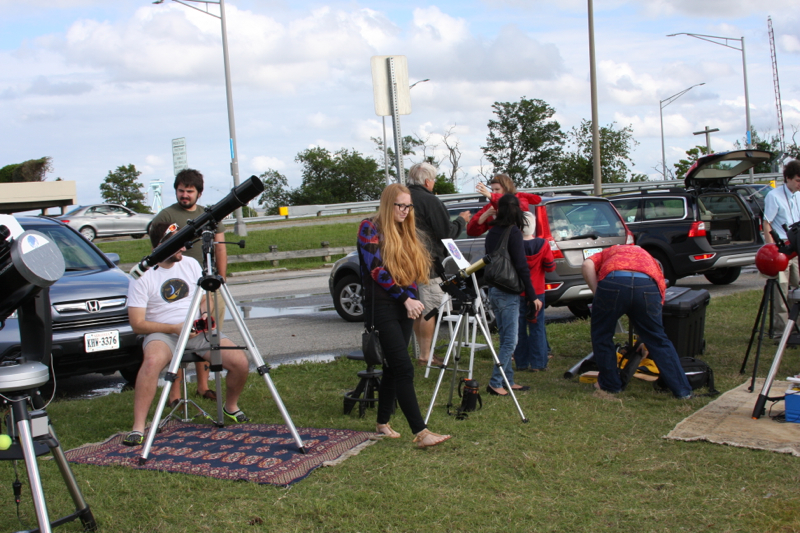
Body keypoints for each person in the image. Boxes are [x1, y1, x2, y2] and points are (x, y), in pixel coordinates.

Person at [122, 221, 251, 446]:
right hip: (163, 333)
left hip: (197, 331)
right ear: (160, 246)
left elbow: (205, 297)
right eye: (177, 244)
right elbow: (137, 324)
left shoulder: (190, 264)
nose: (183, 247)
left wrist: (204, 315)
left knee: (239, 360)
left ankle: (230, 407)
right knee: (151, 363)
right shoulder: (141, 275)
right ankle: (138, 427)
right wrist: (173, 328)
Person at [357, 183, 451, 448]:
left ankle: (382, 423)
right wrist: (405, 298)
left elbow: (411, 271)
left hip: (404, 305)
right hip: (382, 306)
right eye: (400, 205)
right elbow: (376, 270)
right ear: (388, 204)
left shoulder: (406, 230)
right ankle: (421, 432)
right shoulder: (370, 227)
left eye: (408, 206)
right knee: (403, 367)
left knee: (392, 366)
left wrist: (414, 299)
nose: (405, 211)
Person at [151, 168, 227, 402]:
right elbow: (155, 250)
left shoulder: (210, 216)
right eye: (181, 190)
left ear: (199, 193)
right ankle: (175, 393)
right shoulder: (165, 216)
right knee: (181, 339)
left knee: (207, 336)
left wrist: (221, 278)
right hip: (179, 288)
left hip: (208, 285)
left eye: (189, 191)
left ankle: (203, 387)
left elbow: (220, 247)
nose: (184, 195)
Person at [581, 244, 692, 398]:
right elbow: (659, 284)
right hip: (647, 284)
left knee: (602, 335)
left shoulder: (607, 252)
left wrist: (598, 294)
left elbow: (587, 265)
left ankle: (611, 385)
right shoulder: (647, 256)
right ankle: (682, 390)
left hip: (613, 281)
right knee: (657, 338)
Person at [406, 162, 471, 366]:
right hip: (428, 262)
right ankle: (426, 355)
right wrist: (461, 221)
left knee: (417, 308)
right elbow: (446, 234)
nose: (434, 183)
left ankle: (424, 352)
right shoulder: (430, 200)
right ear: (427, 181)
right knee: (429, 309)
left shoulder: (402, 197)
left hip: (406, 261)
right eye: (433, 180)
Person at [484, 194, 541, 396]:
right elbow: (521, 266)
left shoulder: (492, 232)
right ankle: (495, 382)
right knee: (510, 340)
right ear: (517, 210)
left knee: (505, 337)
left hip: (494, 289)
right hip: (508, 291)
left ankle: (508, 379)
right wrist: (532, 295)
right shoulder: (514, 232)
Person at [762, 160, 800, 334]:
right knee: (781, 291)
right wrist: (771, 249)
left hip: (796, 246)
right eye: (798, 180)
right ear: (788, 178)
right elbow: (767, 223)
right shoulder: (774, 196)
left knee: (797, 287)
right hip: (782, 248)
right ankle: (781, 331)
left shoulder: (798, 195)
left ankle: (795, 326)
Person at [516, 211, 555, 372]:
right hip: (538, 291)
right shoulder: (543, 244)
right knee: (537, 327)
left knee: (519, 327)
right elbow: (550, 266)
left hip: (519, 291)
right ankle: (539, 363)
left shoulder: (516, 244)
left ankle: (521, 362)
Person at [466, 174, 542, 237]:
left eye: (497, 189)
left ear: (506, 189)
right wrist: (485, 215)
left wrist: (492, 197)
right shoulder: (489, 207)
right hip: (499, 249)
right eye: (492, 190)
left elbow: (522, 205)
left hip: (520, 246)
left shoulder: (520, 198)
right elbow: (471, 232)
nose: (494, 192)